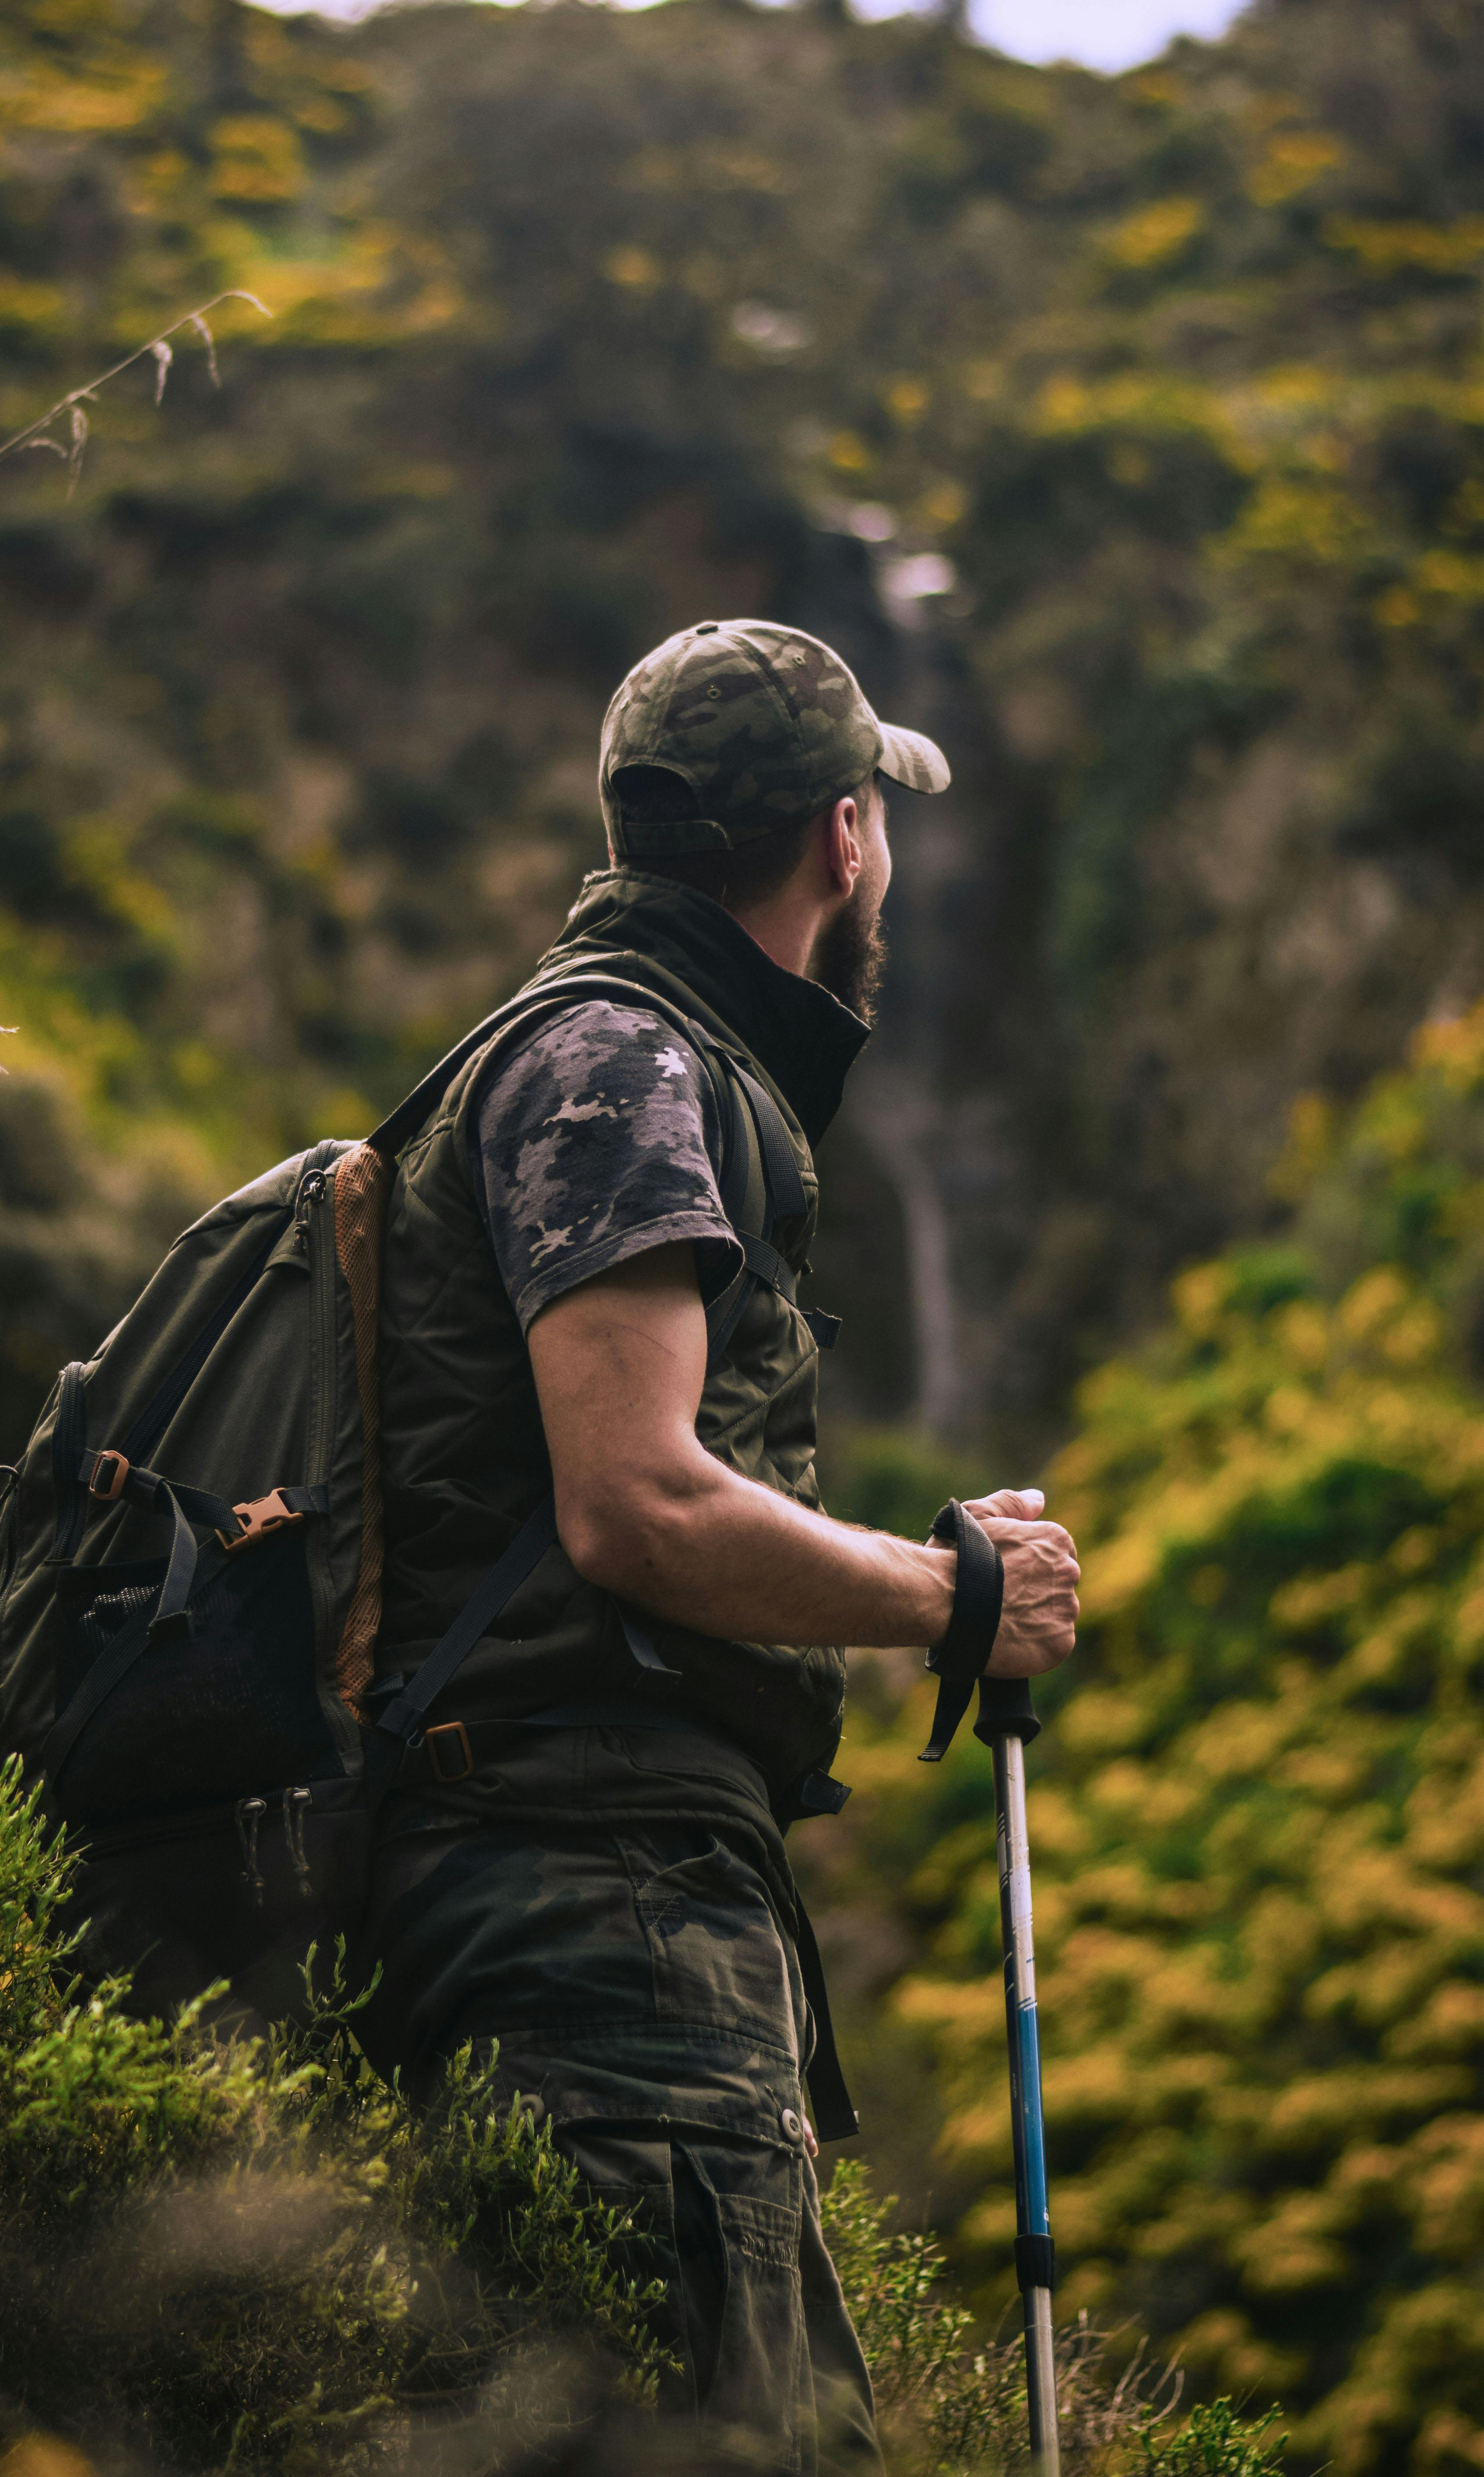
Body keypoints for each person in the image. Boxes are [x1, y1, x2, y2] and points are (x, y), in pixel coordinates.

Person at [357, 619, 1080, 2469]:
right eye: (877, 826)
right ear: (847, 839)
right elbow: (639, 1505)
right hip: (593, 1916)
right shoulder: (622, 1068)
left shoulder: (607, 1051)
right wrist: (950, 1597)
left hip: (579, 1897)